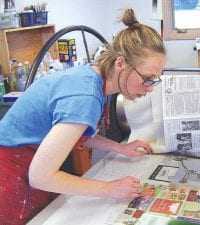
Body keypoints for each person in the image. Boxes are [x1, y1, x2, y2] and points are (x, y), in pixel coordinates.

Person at [0, 8, 166, 224]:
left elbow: (77, 134)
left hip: (31, 165)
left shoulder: (96, 79)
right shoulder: (85, 95)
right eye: (148, 78)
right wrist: (111, 188)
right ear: (120, 63)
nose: (150, 87)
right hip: (11, 174)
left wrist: (121, 148)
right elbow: (40, 176)